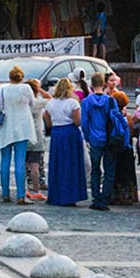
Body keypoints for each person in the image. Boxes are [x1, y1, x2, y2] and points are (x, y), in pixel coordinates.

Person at [0, 67, 38, 204]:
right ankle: (21, 195)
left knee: (5, 161)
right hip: (22, 127)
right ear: (21, 77)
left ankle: (5, 193)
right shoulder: (26, 88)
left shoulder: (3, 90)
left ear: (9, 78)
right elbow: (33, 104)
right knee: (20, 162)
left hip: (6, 128)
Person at [45, 79, 87, 208]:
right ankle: (70, 195)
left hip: (57, 133)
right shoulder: (73, 103)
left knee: (58, 164)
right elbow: (77, 121)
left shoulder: (50, 103)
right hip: (70, 133)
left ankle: (56, 195)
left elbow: (47, 121)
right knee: (71, 164)